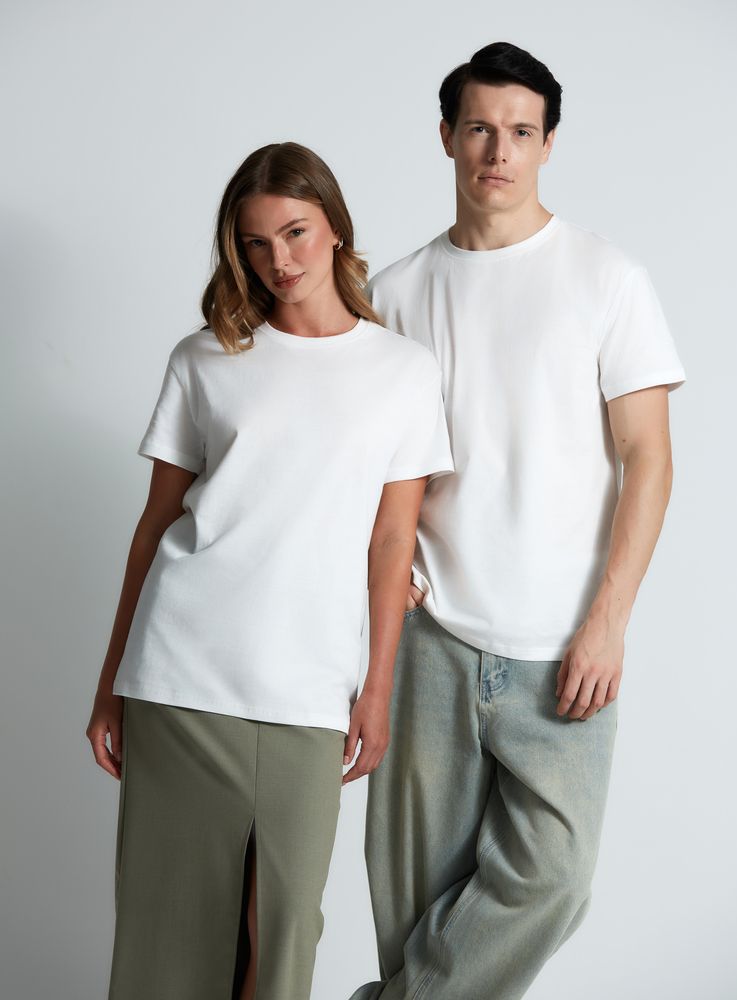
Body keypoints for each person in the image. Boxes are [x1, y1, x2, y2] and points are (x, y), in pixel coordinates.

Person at [351, 41, 686, 1000]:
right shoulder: (397, 294)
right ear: (446, 137)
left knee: (554, 881)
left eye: (521, 132)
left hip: (564, 647)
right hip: (430, 641)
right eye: (480, 129)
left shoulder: (606, 278)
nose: (498, 151)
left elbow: (650, 458)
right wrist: (388, 572)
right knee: (412, 912)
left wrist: (609, 621)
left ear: (548, 144)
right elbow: (366, 462)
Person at [85, 141, 454, 1000]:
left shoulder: (403, 372)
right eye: (255, 243)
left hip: (308, 688)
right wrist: (111, 683)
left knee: (281, 929)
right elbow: (154, 528)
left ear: (335, 228)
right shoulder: (205, 358)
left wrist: (376, 690)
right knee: (168, 932)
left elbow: (392, 542)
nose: (278, 260)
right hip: (179, 676)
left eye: (295, 232)